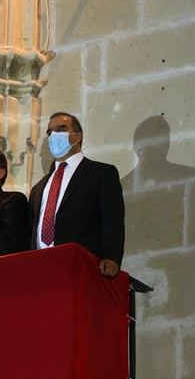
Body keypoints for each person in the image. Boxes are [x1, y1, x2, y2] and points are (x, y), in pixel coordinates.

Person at [29, 112, 125, 278]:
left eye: (61, 129)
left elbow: (112, 217)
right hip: (40, 268)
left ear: (77, 136)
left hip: (82, 266)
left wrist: (111, 256)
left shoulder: (101, 173)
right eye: (50, 132)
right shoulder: (39, 188)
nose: (53, 135)